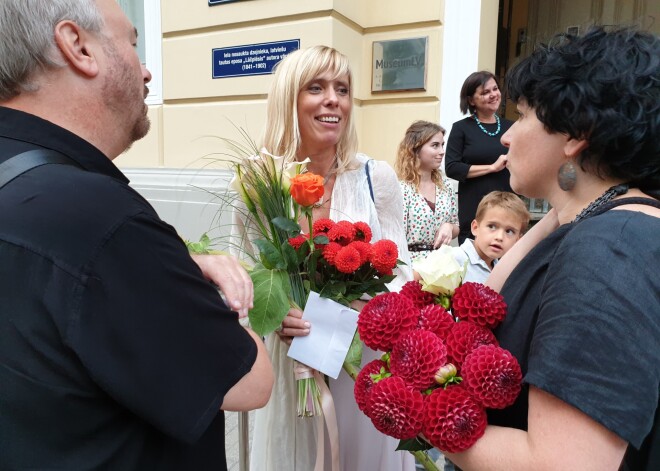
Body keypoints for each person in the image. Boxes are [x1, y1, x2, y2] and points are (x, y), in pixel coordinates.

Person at [0, 1, 273, 470]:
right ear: (78, 46)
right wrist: (232, 306)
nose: (146, 72)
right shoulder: (97, 219)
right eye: (131, 42)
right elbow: (249, 381)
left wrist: (181, 263)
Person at [443, 27, 660, 471]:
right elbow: (494, 299)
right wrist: (563, 201)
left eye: (521, 116)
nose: (506, 137)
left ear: (575, 134)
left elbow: (561, 463)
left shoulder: (608, 251)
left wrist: (420, 410)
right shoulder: (597, 219)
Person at [242, 45, 414, 471]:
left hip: (364, 366)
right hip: (295, 367)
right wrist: (279, 314)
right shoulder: (258, 183)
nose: (333, 99)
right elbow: (244, 278)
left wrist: (359, 305)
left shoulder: (377, 178)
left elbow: (405, 273)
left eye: (342, 89)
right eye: (315, 88)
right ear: (289, 100)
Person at [445, 71, 514, 244]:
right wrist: (491, 168)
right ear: (471, 100)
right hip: (475, 210)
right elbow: (452, 167)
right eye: (485, 92)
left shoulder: (511, 127)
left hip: (507, 208)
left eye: (495, 89)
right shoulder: (461, 128)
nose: (493, 95)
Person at [395, 120, 459, 263]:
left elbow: (456, 224)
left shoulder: (446, 185)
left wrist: (449, 227)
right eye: (435, 145)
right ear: (415, 149)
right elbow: (396, 239)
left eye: (442, 145)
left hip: (444, 265)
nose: (442, 152)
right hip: (413, 267)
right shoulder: (402, 189)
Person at [451, 191, 529, 284]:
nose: (499, 237)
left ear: (517, 240)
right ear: (475, 227)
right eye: (492, 226)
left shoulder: (505, 271)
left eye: (509, 231)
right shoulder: (453, 260)